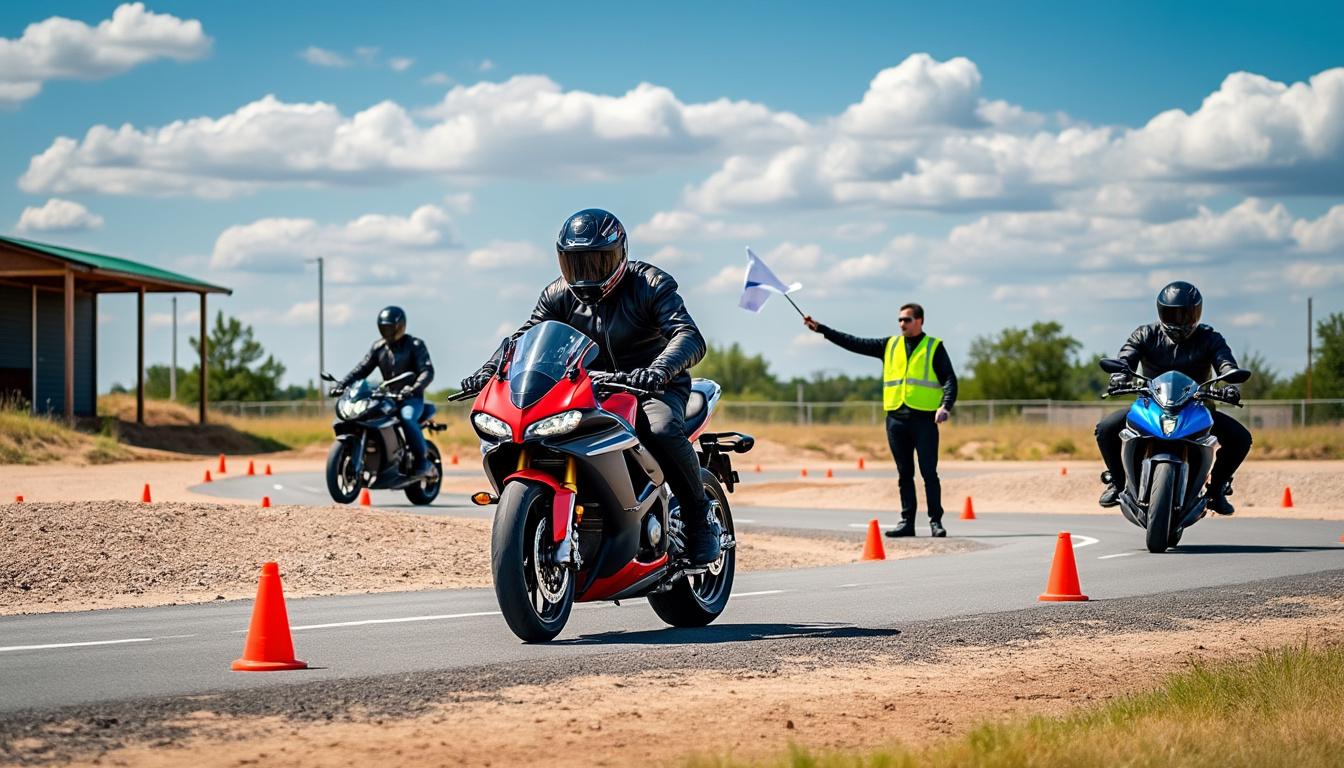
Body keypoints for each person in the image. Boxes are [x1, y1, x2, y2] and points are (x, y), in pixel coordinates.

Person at [460, 208, 721, 565]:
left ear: (620, 255)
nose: (586, 275)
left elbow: (689, 335)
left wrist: (658, 370)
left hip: (651, 387)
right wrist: (490, 369)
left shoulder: (650, 284)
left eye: (597, 262)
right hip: (587, 388)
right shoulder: (557, 295)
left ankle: (698, 517)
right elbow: (524, 338)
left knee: (658, 429)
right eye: (576, 264)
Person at [1096, 281, 1251, 514]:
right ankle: (1117, 482)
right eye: (1172, 314)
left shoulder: (1210, 338)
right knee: (1106, 429)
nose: (1179, 320)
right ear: (1160, 312)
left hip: (1197, 407)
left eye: (1186, 314)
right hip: (1152, 405)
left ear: (1197, 312)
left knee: (1241, 438)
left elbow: (1225, 362)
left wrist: (1230, 380)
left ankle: (1217, 489)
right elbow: (1126, 357)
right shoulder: (1145, 334)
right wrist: (1120, 374)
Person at [804, 303, 957, 537]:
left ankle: (935, 522)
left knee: (928, 472)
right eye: (900, 320)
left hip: (925, 420)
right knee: (904, 473)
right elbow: (853, 342)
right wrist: (822, 329)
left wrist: (945, 406)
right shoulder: (890, 345)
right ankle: (907, 522)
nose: (901, 324)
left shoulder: (933, 347)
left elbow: (950, 379)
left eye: (906, 320)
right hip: (896, 420)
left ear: (920, 321)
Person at [336, 306, 435, 477]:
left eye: (390, 327)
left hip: (410, 398)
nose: (387, 331)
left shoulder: (415, 345)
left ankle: (422, 460)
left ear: (400, 326)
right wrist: (342, 384)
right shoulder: (379, 347)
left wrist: (414, 388)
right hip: (388, 396)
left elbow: (427, 371)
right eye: (384, 327)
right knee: (364, 416)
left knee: (407, 417)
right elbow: (361, 369)